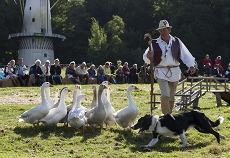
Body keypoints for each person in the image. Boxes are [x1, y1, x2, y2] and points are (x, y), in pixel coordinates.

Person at [143, 20, 195, 115]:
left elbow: (185, 54)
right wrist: (148, 56)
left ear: (169, 30)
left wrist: (191, 65)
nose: (162, 32)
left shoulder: (177, 41)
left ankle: (169, 116)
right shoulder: (154, 43)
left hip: (174, 71)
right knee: (165, 94)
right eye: (160, 31)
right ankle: (165, 117)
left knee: (171, 96)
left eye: (164, 30)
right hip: (160, 71)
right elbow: (146, 57)